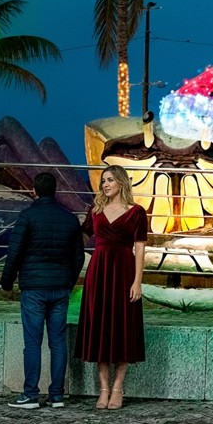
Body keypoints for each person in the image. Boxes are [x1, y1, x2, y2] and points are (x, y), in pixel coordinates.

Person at [1, 172, 84, 409]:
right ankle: (57, 395)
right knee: (57, 342)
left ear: (34, 190)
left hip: (34, 289)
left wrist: (7, 283)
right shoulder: (69, 219)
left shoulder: (27, 216)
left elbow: (14, 253)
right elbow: (78, 257)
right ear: (55, 190)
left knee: (32, 343)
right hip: (60, 288)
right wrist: (68, 282)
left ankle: (30, 394)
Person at [74, 165, 147, 410]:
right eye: (103, 180)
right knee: (100, 330)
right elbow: (79, 238)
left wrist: (137, 281)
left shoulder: (137, 212)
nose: (105, 184)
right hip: (99, 274)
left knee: (122, 329)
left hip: (125, 273)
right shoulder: (95, 211)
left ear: (121, 183)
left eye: (110, 180)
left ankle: (118, 387)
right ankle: (103, 388)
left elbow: (140, 249)